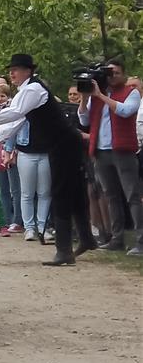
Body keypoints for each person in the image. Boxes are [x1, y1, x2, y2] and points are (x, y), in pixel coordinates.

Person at [0, 54, 98, 265]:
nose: (12, 73)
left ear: (27, 70)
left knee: (62, 192)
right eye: (11, 70)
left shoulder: (33, 89)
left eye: (15, 69)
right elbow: (19, 118)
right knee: (74, 190)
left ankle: (64, 250)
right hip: (61, 144)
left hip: (64, 144)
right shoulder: (26, 91)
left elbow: (15, 112)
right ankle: (87, 238)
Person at [77, 59, 142, 255]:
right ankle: (117, 238)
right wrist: (84, 97)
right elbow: (84, 119)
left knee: (132, 196)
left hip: (123, 151)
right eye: (109, 73)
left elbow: (125, 111)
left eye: (115, 73)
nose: (112, 76)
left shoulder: (131, 92)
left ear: (124, 75)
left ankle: (141, 240)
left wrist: (100, 95)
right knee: (111, 196)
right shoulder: (97, 95)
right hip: (100, 151)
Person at [0, 85, 23, 236]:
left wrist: (11, 152)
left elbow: (12, 132)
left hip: (11, 153)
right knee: (2, 190)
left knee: (15, 189)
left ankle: (18, 220)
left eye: (2, 96)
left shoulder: (12, 111)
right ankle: (5, 220)